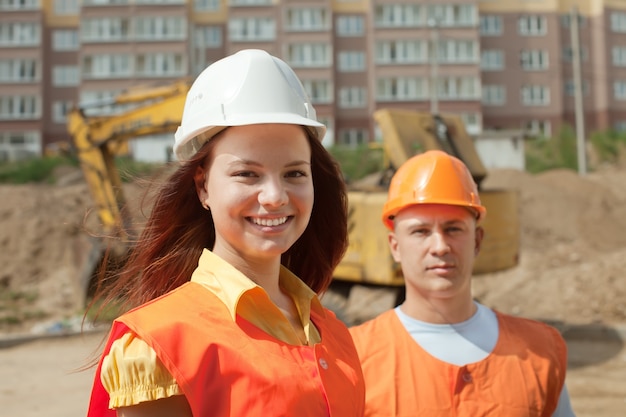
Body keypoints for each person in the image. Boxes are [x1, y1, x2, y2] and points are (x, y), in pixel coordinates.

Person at [85, 49, 365, 417]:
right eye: (247, 174)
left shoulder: (334, 336)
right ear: (202, 188)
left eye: (295, 173)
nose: (275, 196)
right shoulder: (161, 344)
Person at [349, 150, 576, 416]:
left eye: (453, 229)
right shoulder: (353, 357)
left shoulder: (539, 353)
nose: (440, 246)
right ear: (395, 247)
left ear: (477, 241)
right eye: (420, 231)